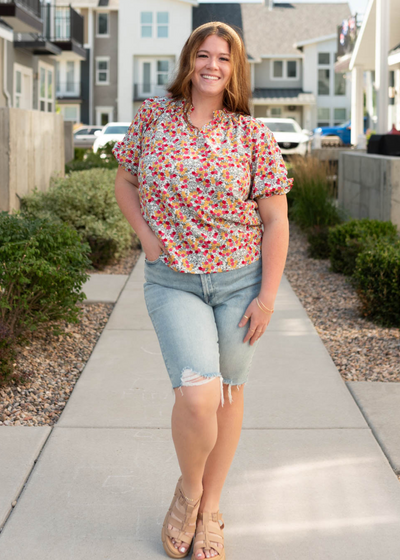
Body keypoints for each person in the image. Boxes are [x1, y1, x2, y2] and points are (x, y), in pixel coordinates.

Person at [113, 21, 293, 560]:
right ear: (189, 61)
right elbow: (125, 180)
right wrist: (145, 236)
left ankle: (211, 508)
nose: (213, 65)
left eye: (224, 58)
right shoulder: (152, 117)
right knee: (197, 396)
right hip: (174, 281)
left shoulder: (252, 135)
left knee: (230, 390)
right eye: (204, 55)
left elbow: (277, 222)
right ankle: (189, 491)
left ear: (235, 69)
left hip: (240, 282)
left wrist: (267, 298)